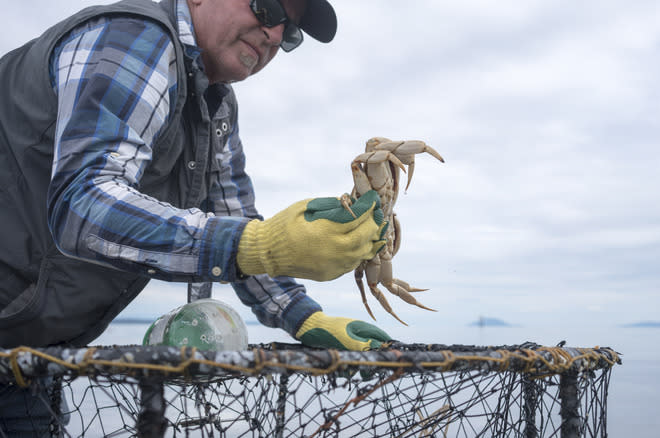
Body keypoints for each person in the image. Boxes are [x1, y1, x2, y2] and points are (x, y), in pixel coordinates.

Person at [0, 0, 393, 434]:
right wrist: (252, 245)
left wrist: (305, 318)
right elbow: (83, 205)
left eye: (292, 34)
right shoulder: (134, 38)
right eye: (268, 8)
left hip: (26, 355)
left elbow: (241, 223)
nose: (276, 36)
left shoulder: (217, 110)